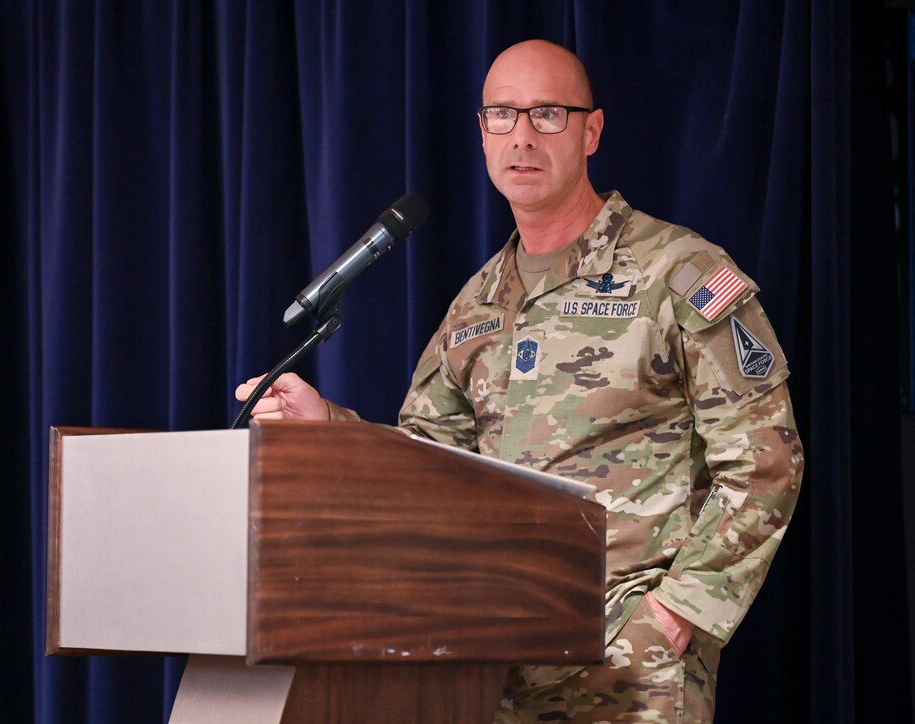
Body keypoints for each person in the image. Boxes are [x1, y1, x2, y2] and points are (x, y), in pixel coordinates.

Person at [235, 39, 803, 723]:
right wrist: (327, 425)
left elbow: (764, 460)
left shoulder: (677, 272)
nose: (523, 137)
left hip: (628, 668)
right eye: (502, 115)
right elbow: (432, 462)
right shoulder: (476, 305)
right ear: (482, 132)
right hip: (492, 665)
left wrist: (679, 612)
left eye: (548, 114)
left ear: (591, 130)